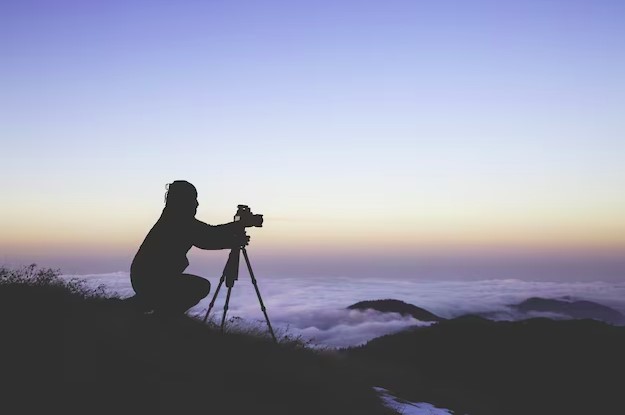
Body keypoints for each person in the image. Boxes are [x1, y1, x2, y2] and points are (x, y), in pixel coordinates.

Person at [128, 180, 248, 316]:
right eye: (193, 199)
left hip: (145, 278)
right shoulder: (179, 221)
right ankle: (163, 317)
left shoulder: (172, 217)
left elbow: (207, 232)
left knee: (159, 292)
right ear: (183, 200)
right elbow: (207, 238)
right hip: (152, 280)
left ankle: (133, 306)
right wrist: (232, 239)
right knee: (200, 287)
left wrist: (233, 228)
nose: (196, 204)